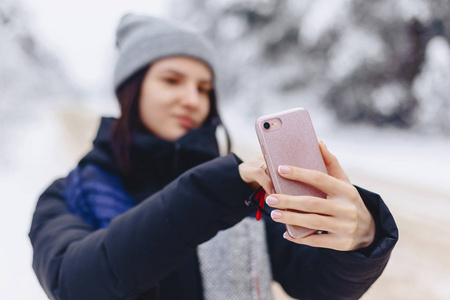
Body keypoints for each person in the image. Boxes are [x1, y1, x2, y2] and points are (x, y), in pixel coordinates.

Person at [29, 14, 398, 300]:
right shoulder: (66, 196)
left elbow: (317, 284)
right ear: (131, 91)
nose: (192, 99)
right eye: (172, 80)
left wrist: (364, 239)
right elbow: (76, 284)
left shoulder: (245, 193)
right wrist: (216, 190)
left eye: (204, 88)